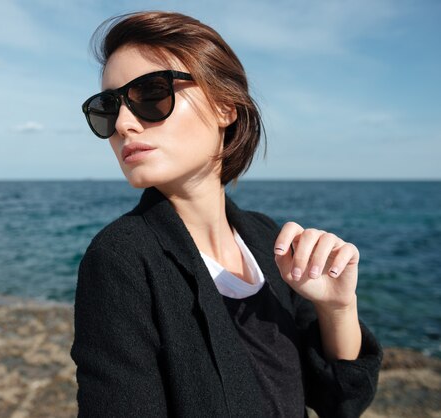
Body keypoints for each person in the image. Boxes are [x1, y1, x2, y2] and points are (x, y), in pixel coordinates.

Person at [70, 11, 382, 418]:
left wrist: (337, 308)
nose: (124, 124)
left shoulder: (266, 237)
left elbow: (342, 400)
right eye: (107, 108)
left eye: (151, 93)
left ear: (225, 107)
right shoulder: (121, 259)